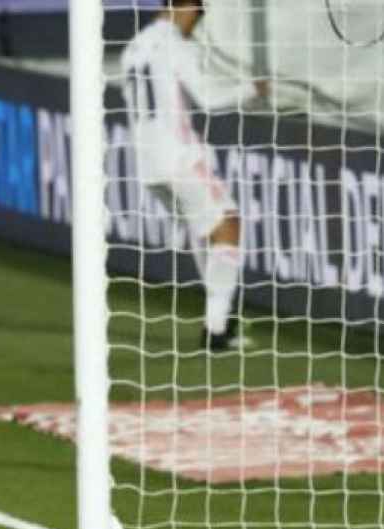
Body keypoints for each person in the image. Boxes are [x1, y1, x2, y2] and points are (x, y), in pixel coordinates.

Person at [120, 0, 264, 352]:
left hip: (149, 163)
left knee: (205, 232)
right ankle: (217, 329)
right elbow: (209, 98)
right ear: (183, 6)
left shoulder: (133, 48)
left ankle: (220, 322)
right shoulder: (173, 43)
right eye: (197, 14)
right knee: (228, 223)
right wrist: (253, 90)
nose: (196, 24)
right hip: (179, 156)